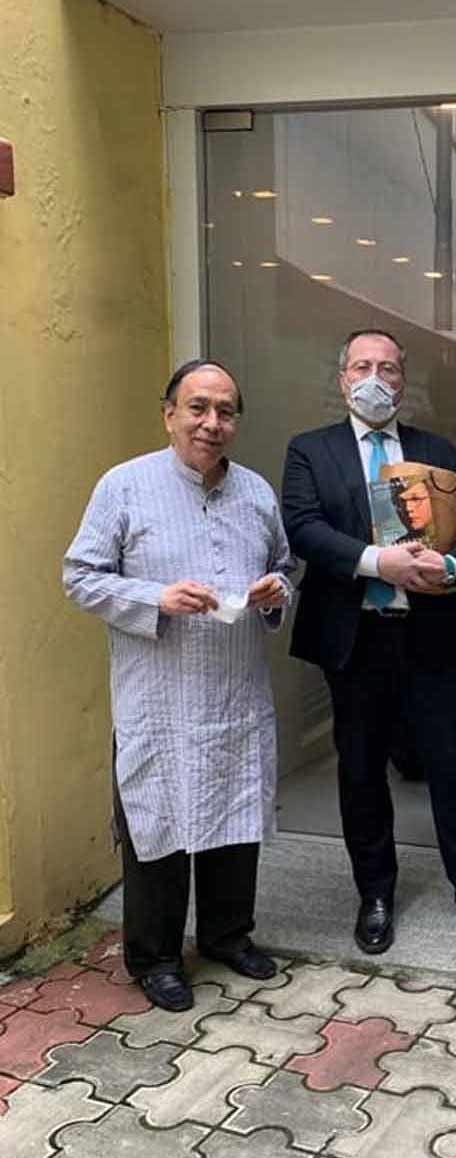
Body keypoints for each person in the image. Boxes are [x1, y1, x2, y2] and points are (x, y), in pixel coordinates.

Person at [64, 360, 293, 1011]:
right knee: (158, 827)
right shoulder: (124, 486)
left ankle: (227, 935)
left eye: (225, 411)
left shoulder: (256, 492)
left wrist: (276, 591)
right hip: (159, 701)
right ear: (169, 414)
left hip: (235, 696)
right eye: (197, 407)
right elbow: (79, 576)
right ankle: (156, 957)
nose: (211, 422)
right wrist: (154, 597)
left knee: (234, 818)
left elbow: (283, 566)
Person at [282, 328, 456, 954]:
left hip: (429, 635)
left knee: (452, 762)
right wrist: (376, 562)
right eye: (362, 366)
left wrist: (452, 565)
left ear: (402, 381)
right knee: (361, 770)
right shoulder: (310, 450)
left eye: (387, 368)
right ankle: (376, 893)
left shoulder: (433, 449)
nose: (374, 378)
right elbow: (303, 528)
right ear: (342, 378)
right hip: (354, 637)